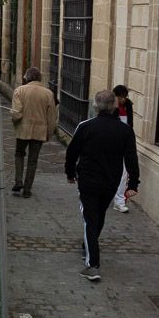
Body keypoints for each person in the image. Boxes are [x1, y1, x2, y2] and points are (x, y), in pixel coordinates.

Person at [64, 89, 139, 282]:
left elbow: (72, 152)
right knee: (99, 214)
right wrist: (133, 183)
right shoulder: (125, 130)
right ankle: (89, 245)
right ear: (114, 105)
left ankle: (93, 264)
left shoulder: (86, 126)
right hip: (110, 182)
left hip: (88, 180)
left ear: (95, 106)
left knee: (90, 218)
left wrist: (70, 173)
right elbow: (131, 158)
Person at [9, 67, 58, 198]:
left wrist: (14, 120)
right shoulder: (48, 94)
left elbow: (17, 114)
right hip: (39, 131)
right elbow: (52, 118)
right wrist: (49, 133)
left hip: (23, 130)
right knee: (33, 160)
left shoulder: (19, 91)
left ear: (27, 78)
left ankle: (18, 181)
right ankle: (27, 189)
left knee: (19, 154)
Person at [112, 84, 135, 212]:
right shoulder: (110, 107)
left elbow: (130, 125)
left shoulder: (128, 106)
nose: (123, 99)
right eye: (121, 97)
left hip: (124, 141)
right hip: (113, 141)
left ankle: (119, 200)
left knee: (124, 171)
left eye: (124, 97)